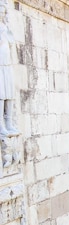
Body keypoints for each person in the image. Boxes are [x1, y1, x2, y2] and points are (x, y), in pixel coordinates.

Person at [0, 2, 18, 138]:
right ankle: (1, 125)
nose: (1, 13)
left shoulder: (5, 27)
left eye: (3, 11)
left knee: (10, 95)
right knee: (1, 96)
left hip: (7, 65)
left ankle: (9, 122)